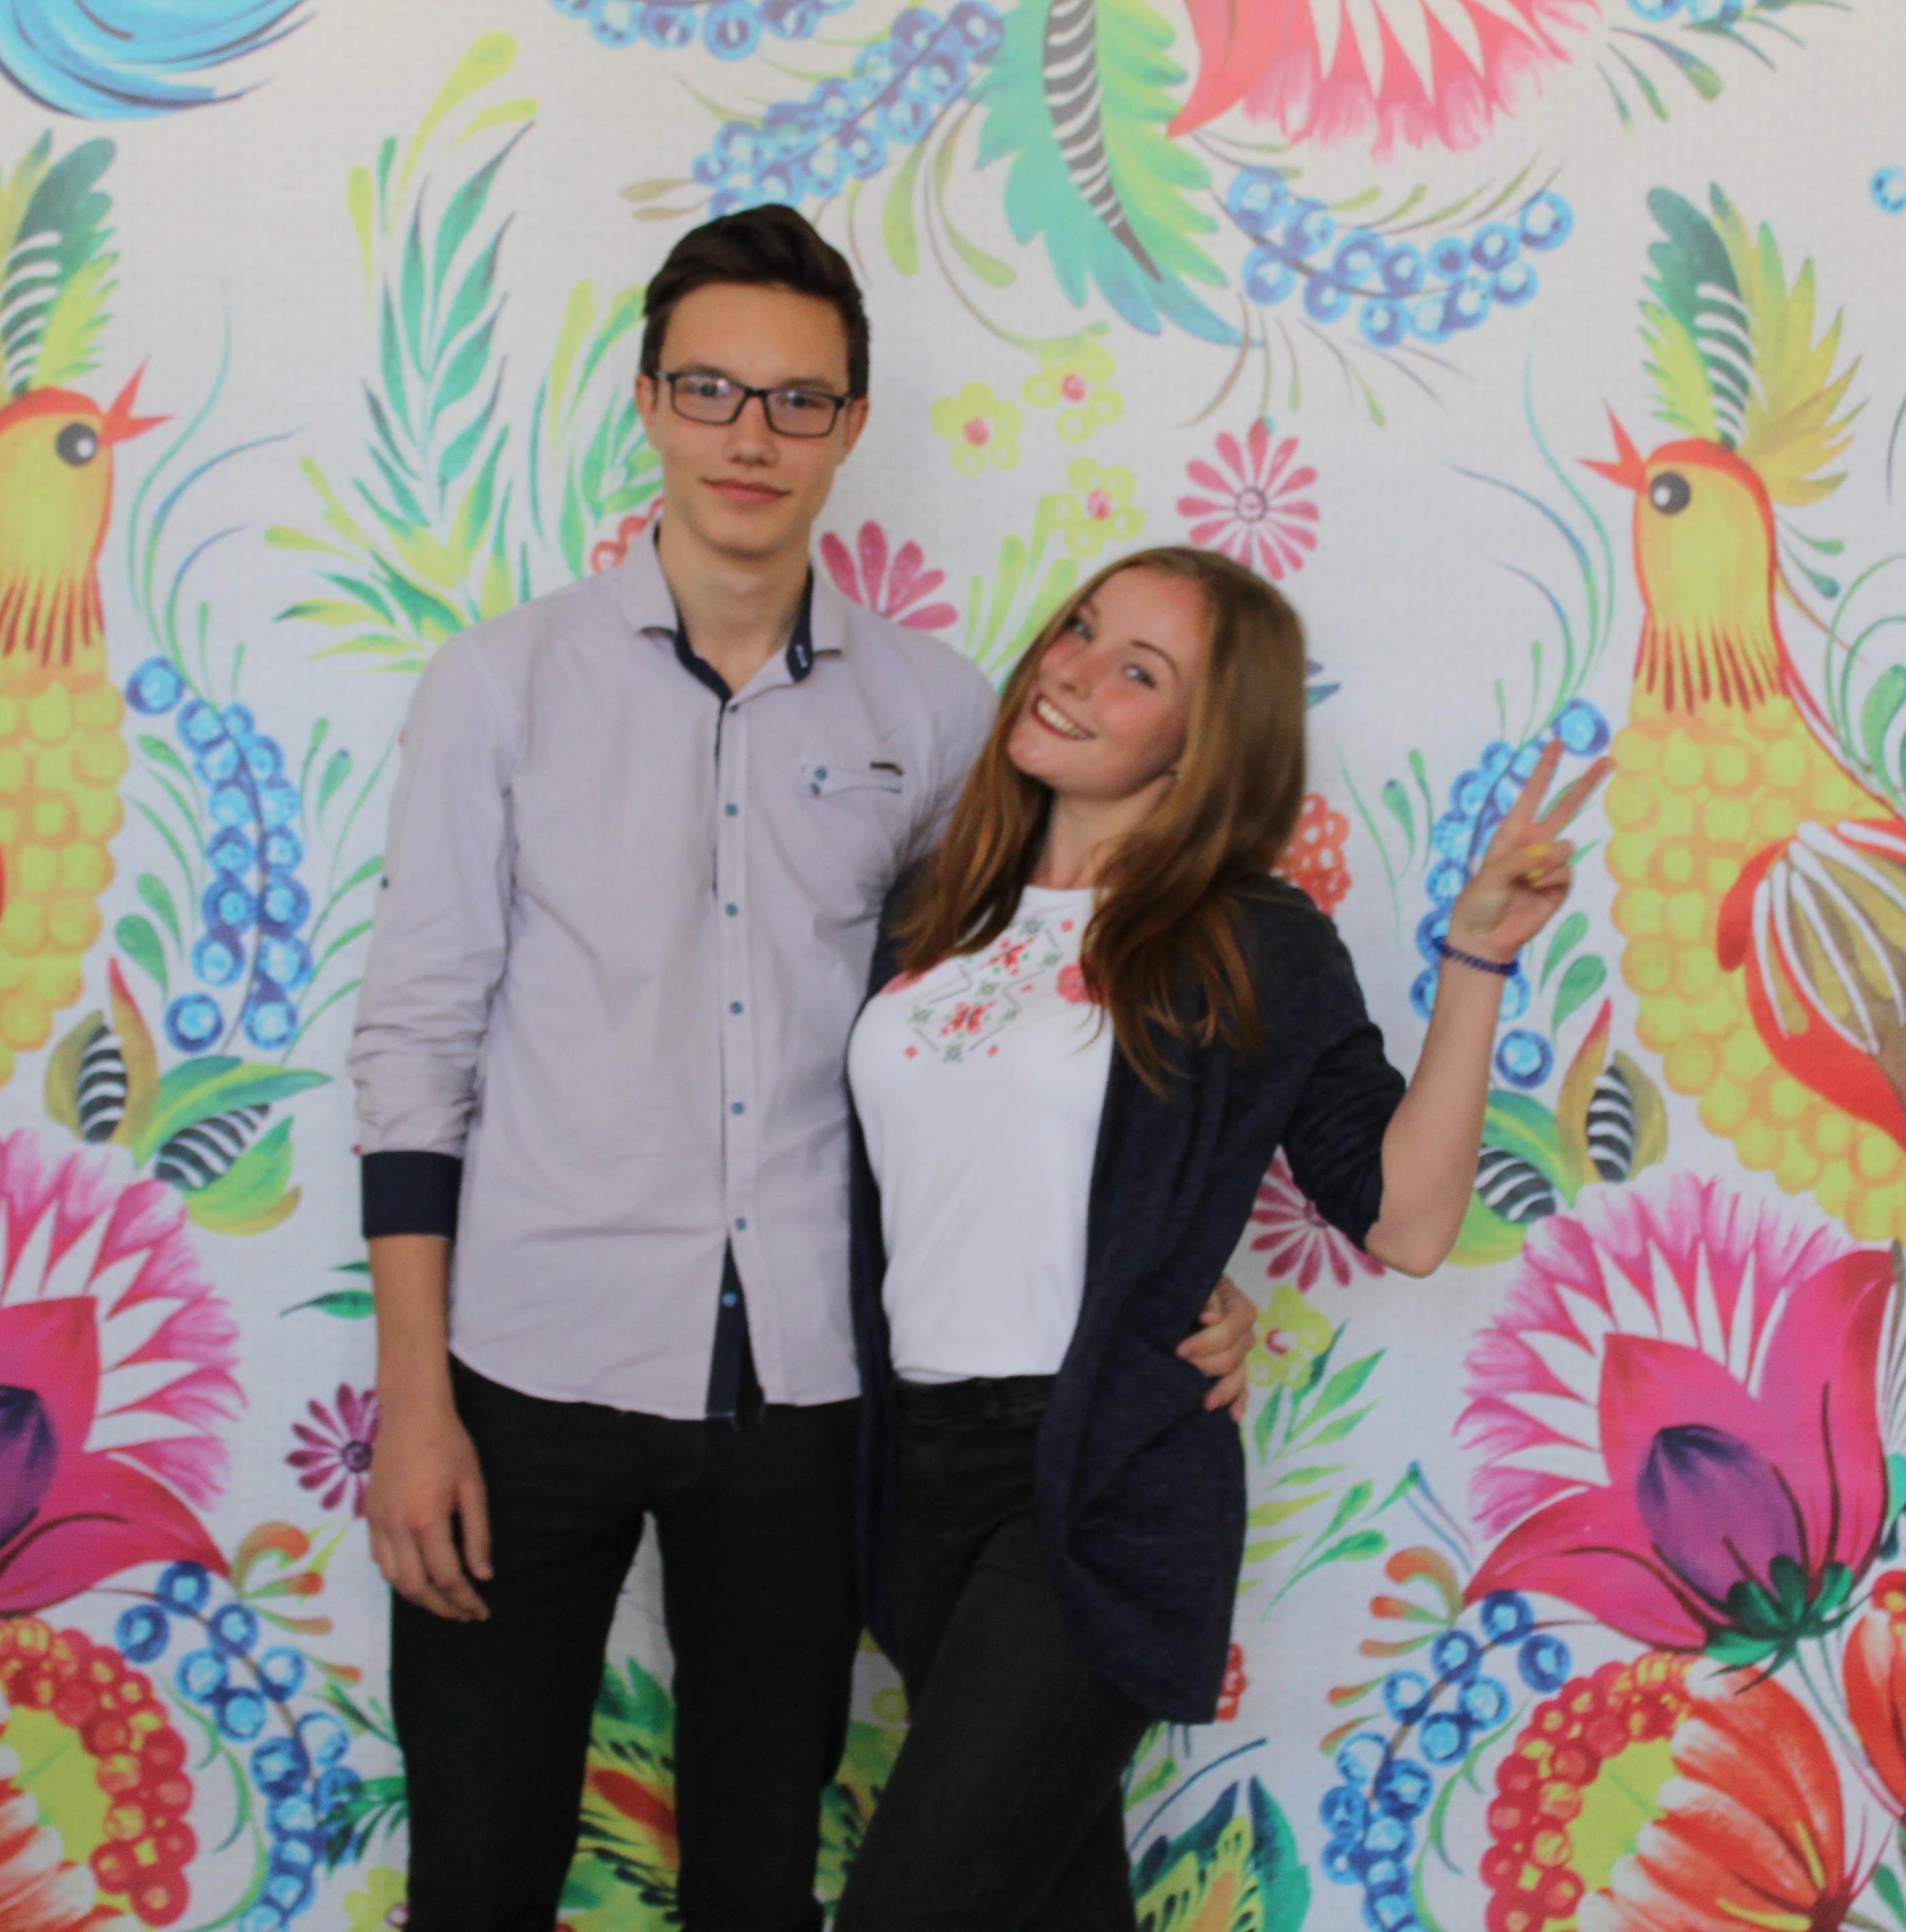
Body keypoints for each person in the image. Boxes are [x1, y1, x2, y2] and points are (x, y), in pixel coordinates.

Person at [347, 208, 1258, 1932]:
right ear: (648, 402)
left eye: (797, 401)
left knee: (763, 1875)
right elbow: (417, 1040)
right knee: (477, 1869)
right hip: (524, 1367)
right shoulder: (502, 685)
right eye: (711, 389)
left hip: (813, 1400)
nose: (750, 436)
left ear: (851, 426)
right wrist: (414, 1398)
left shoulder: (939, 713)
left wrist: (1180, 1271)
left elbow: (1030, 1026)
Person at [836, 547, 1610, 1928]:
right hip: (914, 1472)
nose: (1074, 671)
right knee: (1047, 1901)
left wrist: (1478, 960)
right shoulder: (932, 904)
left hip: (1097, 1480)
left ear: (1203, 745)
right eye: (1081, 630)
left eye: (1138, 671)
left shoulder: (1248, 937)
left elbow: (1405, 1217)